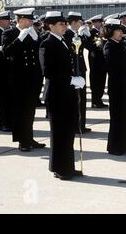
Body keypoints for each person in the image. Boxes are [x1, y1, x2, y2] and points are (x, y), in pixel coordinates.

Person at [39, 11, 84, 180]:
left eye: (65, 24)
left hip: (67, 93)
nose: (64, 26)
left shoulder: (64, 41)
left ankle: (68, 166)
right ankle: (59, 168)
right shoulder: (47, 43)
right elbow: (48, 72)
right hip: (57, 95)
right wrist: (71, 80)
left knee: (68, 132)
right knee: (59, 133)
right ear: (50, 26)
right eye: (61, 24)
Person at [2, 8, 45, 152]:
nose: (31, 22)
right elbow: (6, 52)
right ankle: (22, 140)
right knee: (20, 111)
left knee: (30, 110)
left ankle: (29, 137)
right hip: (19, 78)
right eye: (28, 19)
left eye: (32, 20)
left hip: (33, 77)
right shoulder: (9, 33)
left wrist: (37, 38)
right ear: (20, 20)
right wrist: (20, 38)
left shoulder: (34, 32)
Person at [103, 19, 126, 155]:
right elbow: (118, 64)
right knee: (117, 117)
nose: (121, 33)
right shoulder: (109, 46)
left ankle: (124, 143)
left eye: (121, 30)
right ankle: (115, 146)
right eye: (118, 30)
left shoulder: (121, 44)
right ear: (111, 32)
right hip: (116, 86)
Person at [64, 11, 92, 134]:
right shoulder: (67, 34)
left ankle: (81, 124)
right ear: (74, 22)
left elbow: (90, 47)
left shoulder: (77, 34)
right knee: (75, 99)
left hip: (81, 69)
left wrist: (87, 36)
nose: (82, 23)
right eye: (80, 21)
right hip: (73, 71)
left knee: (82, 99)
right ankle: (75, 125)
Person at [87, 15, 108, 108]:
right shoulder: (91, 32)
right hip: (95, 59)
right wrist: (96, 45)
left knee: (102, 80)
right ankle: (95, 100)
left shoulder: (101, 32)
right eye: (99, 22)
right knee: (96, 80)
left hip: (102, 60)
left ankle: (99, 99)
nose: (101, 24)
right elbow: (89, 45)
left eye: (101, 22)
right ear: (94, 22)